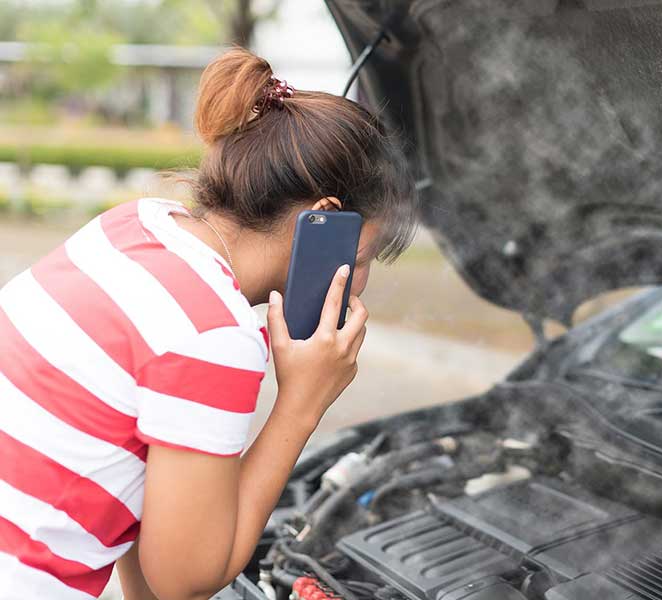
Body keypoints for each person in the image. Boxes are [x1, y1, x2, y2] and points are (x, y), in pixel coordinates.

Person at [0, 47, 416, 599]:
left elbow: (143, 515)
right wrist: (302, 402)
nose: (359, 285)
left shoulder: (131, 227)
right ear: (326, 223)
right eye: (362, 258)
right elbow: (185, 580)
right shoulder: (212, 334)